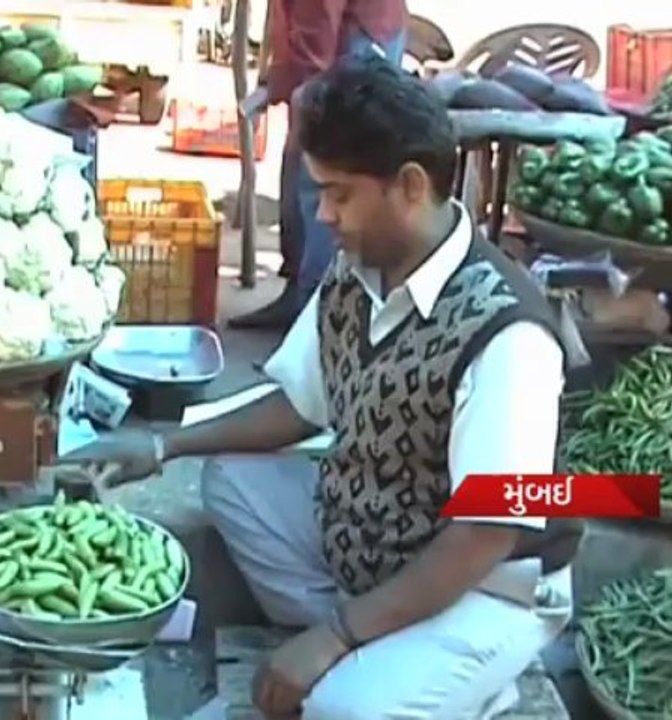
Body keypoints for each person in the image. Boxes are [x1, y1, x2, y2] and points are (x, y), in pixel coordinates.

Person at [68, 58, 580, 720]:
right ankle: (393, 655)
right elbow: (300, 403)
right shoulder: (362, 269)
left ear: (411, 186)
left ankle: (435, 672)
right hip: (375, 541)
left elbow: (485, 535)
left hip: (488, 585)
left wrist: (336, 634)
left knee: (341, 709)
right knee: (230, 479)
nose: (325, 216)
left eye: (339, 194)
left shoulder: (510, 332)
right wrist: (164, 445)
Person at [229, 0, 409, 330]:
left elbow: (317, 44)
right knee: (298, 165)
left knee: (325, 181)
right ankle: (297, 295)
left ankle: (315, 321)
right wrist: (280, 78)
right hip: (334, 35)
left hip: (357, 40)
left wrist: (293, 92)